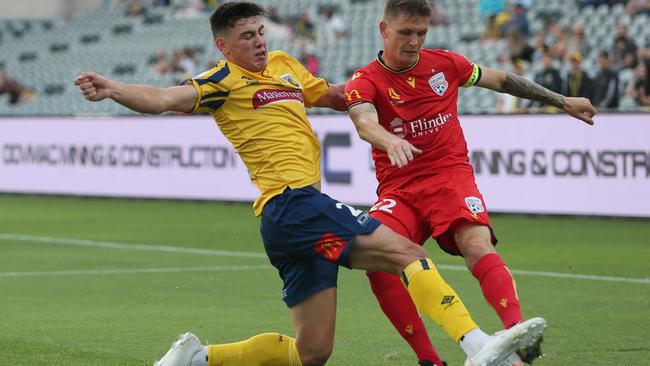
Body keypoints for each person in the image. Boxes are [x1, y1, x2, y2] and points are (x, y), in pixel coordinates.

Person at [74, 3, 546, 366]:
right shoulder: (221, 81)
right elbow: (161, 98)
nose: (258, 42)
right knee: (409, 255)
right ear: (224, 46)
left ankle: (197, 358)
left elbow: (343, 96)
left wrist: (386, 92)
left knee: (312, 353)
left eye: (260, 32)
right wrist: (114, 88)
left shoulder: (284, 65)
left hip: (287, 222)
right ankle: (477, 344)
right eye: (246, 37)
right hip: (293, 203)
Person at [344, 1, 596, 365]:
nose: (414, 41)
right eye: (405, 33)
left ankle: (517, 334)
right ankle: (430, 360)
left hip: (449, 177)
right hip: (400, 190)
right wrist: (389, 140)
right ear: (384, 30)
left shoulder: (446, 64)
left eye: (421, 33)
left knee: (475, 242)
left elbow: (502, 80)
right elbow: (363, 120)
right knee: (377, 260)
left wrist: (561, 101)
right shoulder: (365, 80)